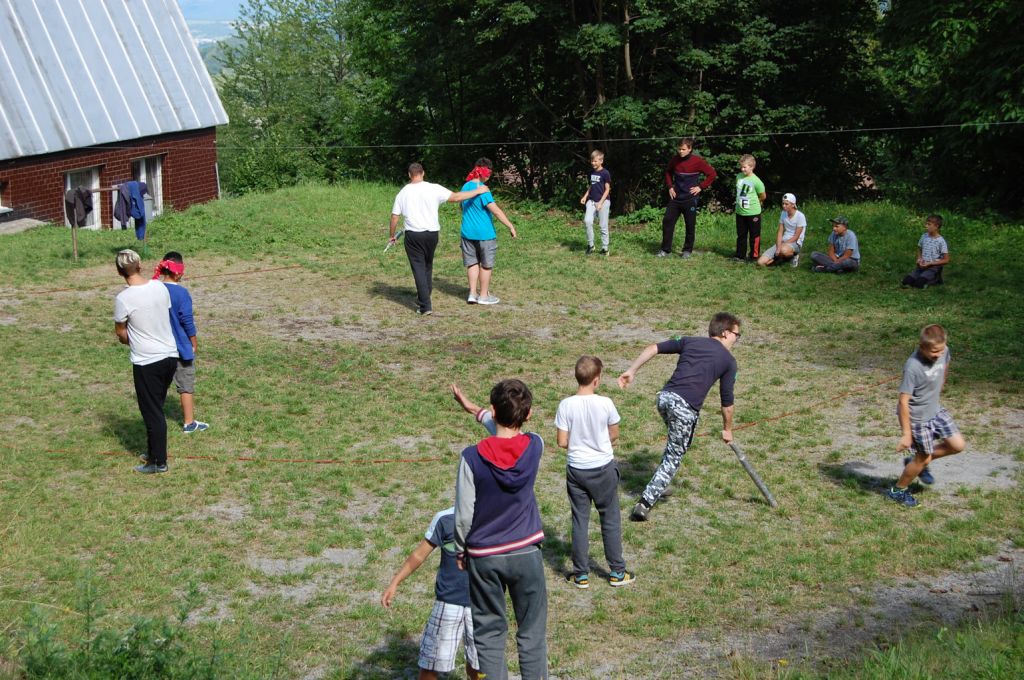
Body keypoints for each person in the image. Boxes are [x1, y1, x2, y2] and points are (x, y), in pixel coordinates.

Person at [454, 379, 548, 680]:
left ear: (493, 411)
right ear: (529, 414)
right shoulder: (535, 447)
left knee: (490, 636)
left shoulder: (471, 457)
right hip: (527, 552)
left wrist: (460, 548)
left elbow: (464, 513)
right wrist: (476, 411)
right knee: (532, 634)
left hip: (484, 555)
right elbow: (508, 438)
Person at [618, 312, 741, 521]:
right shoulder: (729, 361)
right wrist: (727, 429)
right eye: (737, 335)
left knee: (676, 444)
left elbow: (653, 348)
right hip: (685, 408)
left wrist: (631, 370)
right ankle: (644, 503)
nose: (737, 340)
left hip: (664, 399)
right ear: (725, 333)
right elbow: (727, 404)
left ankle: (659, 484)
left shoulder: (689, 341)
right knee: (675, 455)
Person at [554, 356, 634, 588]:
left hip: (577, 469)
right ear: (597, 380)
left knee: (580, 519)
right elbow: (614, 433)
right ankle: (617, 572)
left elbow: (561, 441)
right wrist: (600, 442)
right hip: (603, 468)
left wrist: (579, 443)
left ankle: (580, 574)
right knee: (609, 518)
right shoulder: (606, 403)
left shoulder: (565, 405)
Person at [381, 507, 481, 680]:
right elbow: (419, 555)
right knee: (431, 664)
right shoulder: (445, 519)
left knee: (480, 663)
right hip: (448, 604)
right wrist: (395, 582)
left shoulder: (495, 517)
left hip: (482, 604)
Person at [388, 163, 489, 315]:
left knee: (418, 268)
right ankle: (425, 294)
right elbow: (456, 197)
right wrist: (478, 190)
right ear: (423, 173)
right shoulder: (434, 188)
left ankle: (425, 306)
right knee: (427, 265)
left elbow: (395, 217)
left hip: (413, 235)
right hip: (432, 235)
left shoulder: (403, 193)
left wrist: (392, 235)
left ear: (409, 175)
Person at [113, 249, 178, 474]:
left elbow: (121, 332)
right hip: (170, 356)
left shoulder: (124, 298)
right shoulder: (160, 287)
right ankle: (153, 452)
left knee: (152, 413)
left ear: (119, 271)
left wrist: (130, 339)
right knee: (156, 407)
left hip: (146, 361)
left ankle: (158, 462)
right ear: (140, 266)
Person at [886, 324, 966, 507]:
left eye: (941, 349)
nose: (938, 354)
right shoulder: (912, 366)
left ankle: (916, 462)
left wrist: (939, 387)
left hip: (935, 409)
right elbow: (903, 402)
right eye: (934, 352)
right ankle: (897, 491)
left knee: (958, 445)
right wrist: (907, 434)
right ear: (922, 347)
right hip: (918, 418)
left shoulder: (943, 350)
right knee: (923, 457)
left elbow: (945, 366)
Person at [153, 252, 209, 433]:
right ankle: (189, 423)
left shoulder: (154, 289)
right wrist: (193, 341)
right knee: (186, 384)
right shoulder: (181, 293)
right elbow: (186, 320)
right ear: (178, 272)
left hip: (158, 347)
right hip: (180, 347)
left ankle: (155, 420)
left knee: (159, 385)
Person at [459, 158, 517, 305]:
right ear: (486, 172)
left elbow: (461, 206)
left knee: (472, 263)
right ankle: (483, 296)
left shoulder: (465, 187)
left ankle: (472, 294)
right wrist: (510, 225)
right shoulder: (483, 189)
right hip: (485, 234)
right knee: (486, 265)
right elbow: (495, 211)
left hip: (467, 233)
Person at [659, 138, 717, 258]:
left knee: (690, 225)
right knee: (667, 222)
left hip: (690, 199)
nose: (681, 151)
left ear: (690, 149)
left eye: (683, 149)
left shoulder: (697, 161)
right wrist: (670, 186)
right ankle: (665, 250)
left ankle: (687, 250)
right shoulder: (674, 160)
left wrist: (701, 187)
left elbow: (712, 174)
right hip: (675, 198)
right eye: (679, 149)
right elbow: (668, 172)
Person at [757, 193, 807, 267]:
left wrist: (781, 247)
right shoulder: (783, 213)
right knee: (760, 262)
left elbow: (796, 236)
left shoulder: (800, 216)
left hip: (795, 242)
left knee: (783, 250)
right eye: (783, 203)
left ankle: (794, 256)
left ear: (793, 205)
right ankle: (779, 259)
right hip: (784, 241)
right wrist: (778, 245)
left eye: (786, 204)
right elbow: (780, 232)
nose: (784, 206)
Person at [901, 214, 949, 288]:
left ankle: (936, 279)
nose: (926, 226)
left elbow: (946, 260)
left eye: (929, 224)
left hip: (933, 267)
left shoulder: (941, 241)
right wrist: (919, 258)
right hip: (921, 266)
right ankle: (922, 276)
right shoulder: (924, 236)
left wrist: (930, 263)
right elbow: (920, 249)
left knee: (918, 284)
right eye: (926, 224)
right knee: (906, 282)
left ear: (936, 226)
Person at [733, 154, 767, 261]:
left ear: (752, 167)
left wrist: (758, 202)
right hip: (740, 212)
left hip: (753, 213)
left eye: (745, 167)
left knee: (754, 236)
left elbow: (763, 196)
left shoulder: (756, 181)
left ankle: (754, 256)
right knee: (741, 235)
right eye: (741, 167)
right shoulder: (738, 177)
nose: (742, 169)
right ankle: (740, 255)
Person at [579, 150, 611, 256]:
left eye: (595, 161)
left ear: (601, 161)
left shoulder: (605, 173)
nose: (593, 163)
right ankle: (591, 246)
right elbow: (592, 186)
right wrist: (585, 196)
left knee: (603, 226)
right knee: (587, 221)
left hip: (603, 202)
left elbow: (607, 189)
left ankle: (605, 249)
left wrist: (601, 203)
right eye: (592, 161)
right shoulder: (592, 172)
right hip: (591, 201)